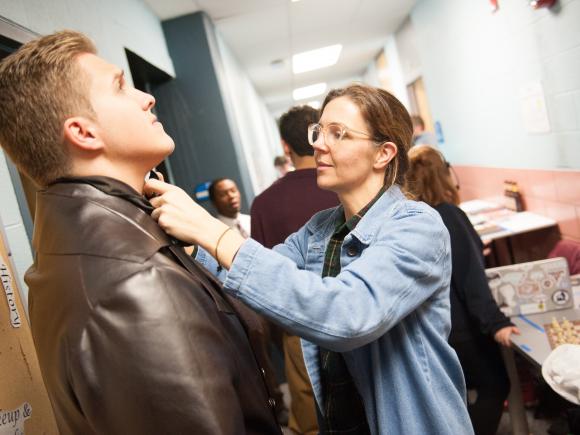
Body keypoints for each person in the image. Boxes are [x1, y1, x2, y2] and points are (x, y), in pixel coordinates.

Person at [145, 84, 474, 434]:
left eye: (339, 134)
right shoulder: (320, 230)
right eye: (319, 131)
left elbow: (348, 313)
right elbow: (248, 279)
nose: (318, 144)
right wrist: (192, 243)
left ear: (383, 154)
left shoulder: (416, 225)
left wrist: (213, 232)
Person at [0, 30, 281, 434]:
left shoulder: (68, 242)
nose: (146, 97)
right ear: (83, 133)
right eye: (119, 87)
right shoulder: (135, 283)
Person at [405, 145, 520, 435]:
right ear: (444, 175)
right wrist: (496, 324)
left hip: (429, 328)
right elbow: (471, 281)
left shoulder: (412, 218)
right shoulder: (450, 215)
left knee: (455, 396)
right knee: (495, 384)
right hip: (461, 327)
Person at [252, 105, 339, 435]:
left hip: (297, 326)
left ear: (285, 146)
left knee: (312, 418)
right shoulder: (344, 188)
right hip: (357, 310)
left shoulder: (264, 203)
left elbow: (262, 274)